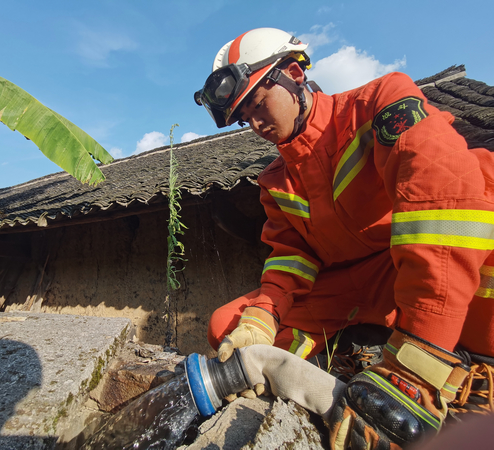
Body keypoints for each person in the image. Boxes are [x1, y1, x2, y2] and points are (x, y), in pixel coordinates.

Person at [194, 27, 494, 449]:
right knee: (227, 327)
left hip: (429, 266)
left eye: (259, 104)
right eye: (245, 119)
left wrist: (418, 364)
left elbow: (443, 205)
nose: (256, 124)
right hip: (356, 289)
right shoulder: (275, 180)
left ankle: (459, 364)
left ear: (294, 74)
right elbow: (290, 258)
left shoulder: (380, 104)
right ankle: (364, 350)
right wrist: (263, 315)